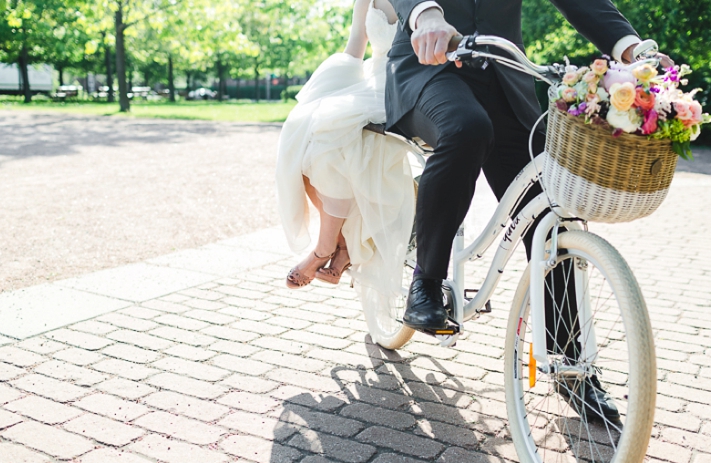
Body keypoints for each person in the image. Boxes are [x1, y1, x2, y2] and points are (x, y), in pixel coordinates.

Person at [385, 0, 647, 421]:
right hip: (428, 69)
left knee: (552, 210)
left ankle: (570, 366)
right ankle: (426, 283)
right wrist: (425, 14)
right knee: (466, 128)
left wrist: (634, 49)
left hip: (505, 80)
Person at [276, 0, 416, 329]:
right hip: (373, 82)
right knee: (306, 130)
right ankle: (339, 246)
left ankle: (328, 246)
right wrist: (327, 86)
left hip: (410, 85)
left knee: (330, 134)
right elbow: (357, 44)